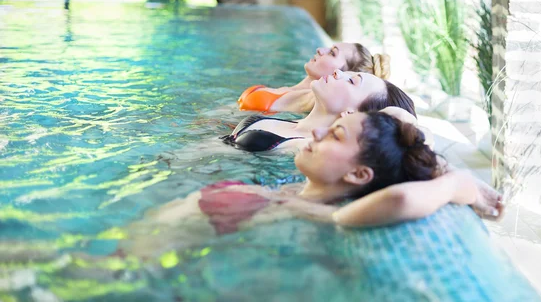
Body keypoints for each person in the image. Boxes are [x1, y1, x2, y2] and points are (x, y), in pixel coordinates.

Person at [126, 110, 501, 258]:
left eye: (336, 135)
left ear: (358, 175)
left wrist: (458, 183)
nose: (318, 131)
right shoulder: (291, 195)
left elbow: (401, 198)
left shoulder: (323, 215)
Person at [222, 69, 415, 152]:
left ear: (352, 114)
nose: (338, 72)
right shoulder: (289, 122)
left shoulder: (308, 147)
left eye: (351, 81)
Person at [238, 43, 391, 113]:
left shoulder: (307, 104)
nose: (320, 50)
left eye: (332, 53)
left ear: (343, 74)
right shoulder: (295, 93)